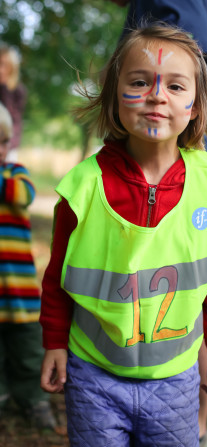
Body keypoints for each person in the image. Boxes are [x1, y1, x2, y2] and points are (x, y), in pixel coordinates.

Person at [40, 24, 207, 446]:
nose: (156, 95)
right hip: (93, 374)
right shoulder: (82, 189)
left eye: (175, 86)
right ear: (115, 94)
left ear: (195, 107)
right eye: (140, 81)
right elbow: (58, 278)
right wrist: (54, 343)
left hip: (176, 379)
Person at [0, 103, 56, 429]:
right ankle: (3, 397)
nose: (0, 149)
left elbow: (24, 195)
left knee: (27, 350)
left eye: (3, 142)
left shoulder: (15, 174)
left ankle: (34, 400)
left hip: (19, 290)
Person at [0, 44, 26, 162]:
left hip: (8, 148)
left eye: (3, 64)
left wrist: (7, 146)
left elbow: (13, 122)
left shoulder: (17, 91)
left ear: (12, 67)